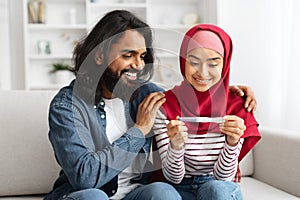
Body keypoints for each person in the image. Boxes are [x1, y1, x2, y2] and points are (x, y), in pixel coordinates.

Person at [44, 10, 257, 200]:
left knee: (162, 192)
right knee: (94, 196)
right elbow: (85, 178)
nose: (138, 65)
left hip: (137, 193)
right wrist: (139, 131)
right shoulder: (67, 106)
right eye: (128, 55)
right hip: (85, 194)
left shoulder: (147, 94)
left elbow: (189, 95)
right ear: (99, 56)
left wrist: (222, 90)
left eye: (142, 56)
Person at [153, 24, 261, 200]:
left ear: (225, 64)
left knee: (216, 190)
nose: (202, 73)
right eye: (194, 62)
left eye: (213, 63)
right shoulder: (165, 106)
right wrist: (176, 146)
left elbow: (223, 178)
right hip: (177, 187)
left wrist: (232, 142)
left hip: (217, 186)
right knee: (159, 192)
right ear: (182, 61)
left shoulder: (237, 107)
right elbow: (173, 177)